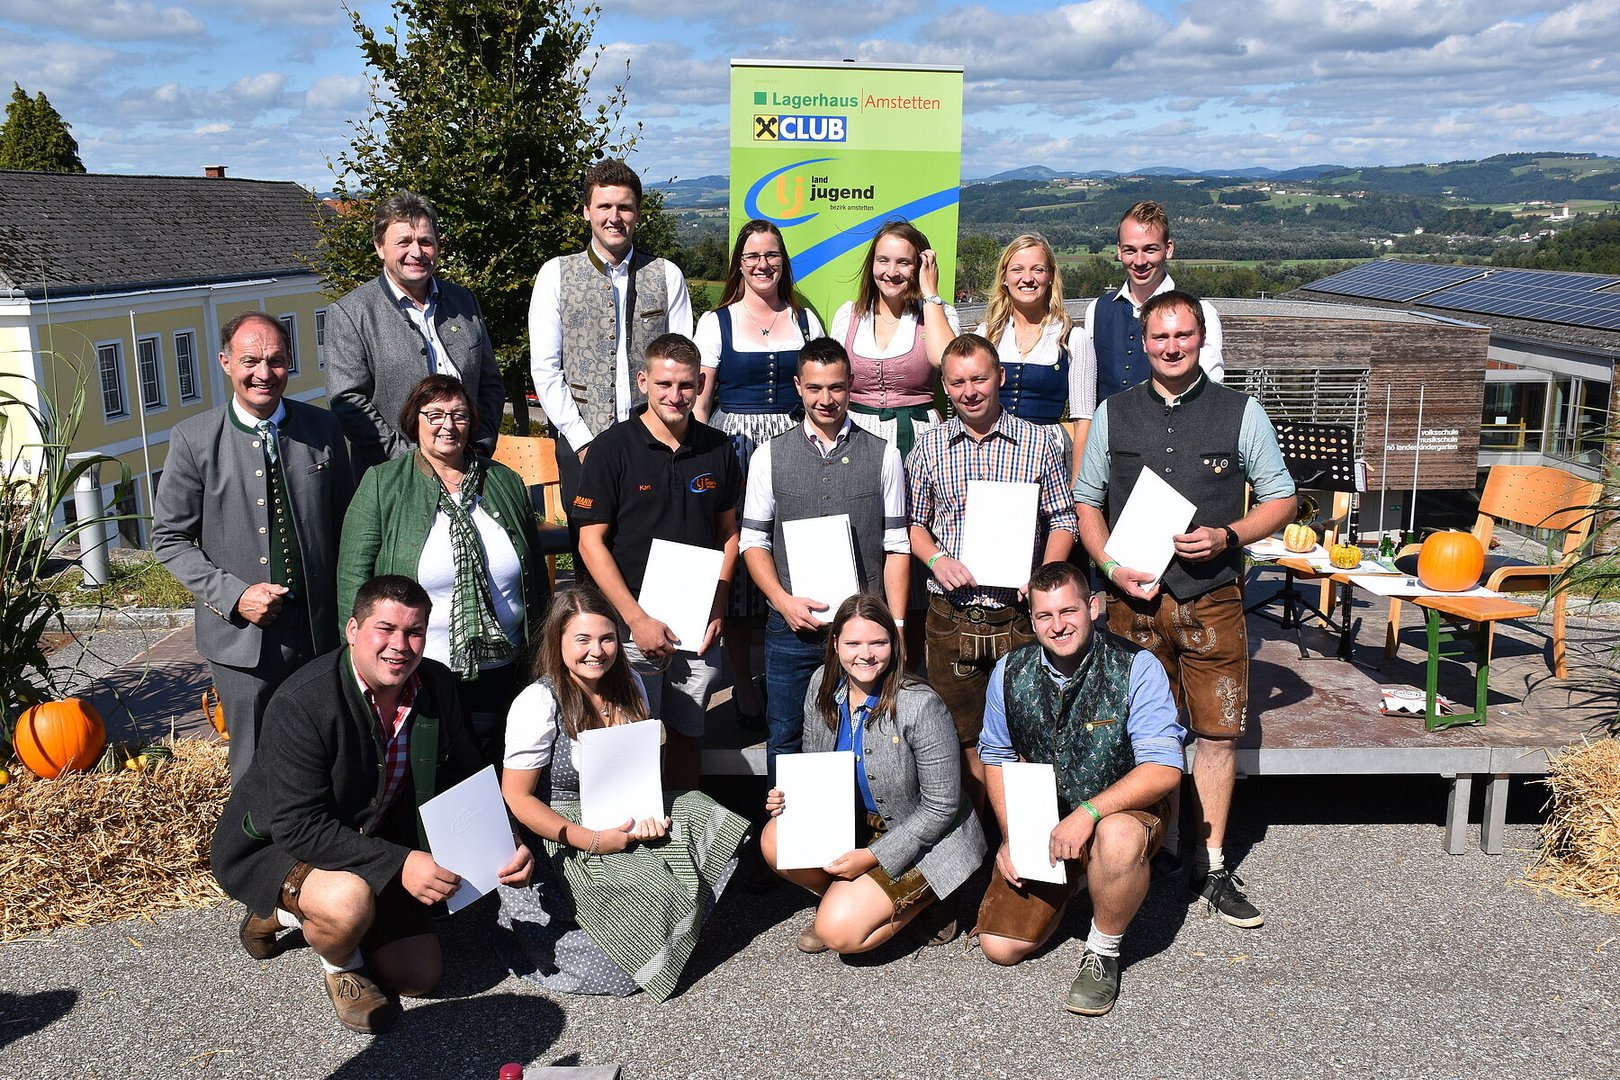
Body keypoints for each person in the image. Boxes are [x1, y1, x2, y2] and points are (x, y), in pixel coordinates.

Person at [212, 575, 535, 1035]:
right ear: (353, 630)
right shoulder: (303, 701)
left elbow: (466, 771)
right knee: (346, 903)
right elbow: (297, 826)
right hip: (278, 845)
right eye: (385, 628)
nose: (400, 645)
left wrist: (506, 837)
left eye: (414, 631)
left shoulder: (435, 683)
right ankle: (338, 964)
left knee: (418, 977)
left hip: (374, 836)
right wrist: (401, 863)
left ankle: (289, 913)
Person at [1074, 290, 1296, 928]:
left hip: (1213, 598)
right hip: (1133, 605)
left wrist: (1229, 535)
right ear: (1143, 343)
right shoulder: (1113, 413)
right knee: (1141, 735)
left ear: (1201, 339)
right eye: (1160, 337)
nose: (1171, 347)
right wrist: (1109, 567)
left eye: (1183, 335)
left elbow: (1282, 499)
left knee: (1218, 734)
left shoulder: (1241, 411)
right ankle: (1142, 855)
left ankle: (1211, 863)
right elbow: (1087, 501)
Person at [498, 586, 750, 1001]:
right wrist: (592, 839)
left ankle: (664, 925)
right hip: (562, 829)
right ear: (558, 641)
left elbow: (637, 767)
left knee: (705, 813)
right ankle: (646, 931)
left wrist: (648, 811)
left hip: (625, 811)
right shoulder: (538, 701)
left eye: (607, 638)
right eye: (582, 639)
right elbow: (518, 798)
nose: (596, 651)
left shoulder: (630, 681)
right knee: (617, 971)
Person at [972, 562, 1185, 1017]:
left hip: (1120, 811)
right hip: (1044, 817)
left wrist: (1088, 813)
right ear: (1032, 620)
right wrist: (1013, 836)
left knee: (1118, 838)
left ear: (1092, 607)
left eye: (1068, 611)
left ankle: (1104, 949)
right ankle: (1079, 878)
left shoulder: (1137, 667)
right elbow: (996, 757)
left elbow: (1164, 769)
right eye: (1044, 616)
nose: (1058, 625)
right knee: (999, 947)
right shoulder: (1008, 670)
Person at [153, 311, 352, 782]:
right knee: (254, 769)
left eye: (276, 360)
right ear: (226, 363)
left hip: (320, 633)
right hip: (242, 641)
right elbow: (169, 539)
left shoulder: (322, 430)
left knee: (328, 755)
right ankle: (252, 835)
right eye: (250, 361)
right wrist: (234, 595)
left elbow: (348, 524)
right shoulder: (194, 440)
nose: (264, 373)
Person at [336, 374, 547, 765]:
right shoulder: (382, 484)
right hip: (419, 673)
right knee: (432, 775)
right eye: (434, 415)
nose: (448, 425)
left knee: (501, 770)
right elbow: (353, 579)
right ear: (414, 421)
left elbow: (535, 573)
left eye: (459, 415)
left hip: (504, 670)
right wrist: (360, 669)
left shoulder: (505, 481)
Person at [907, 333, 1078, 806]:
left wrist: (1043, 576)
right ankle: (977, 833)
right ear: (945, 386)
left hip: (1018, 614)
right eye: (958, 382)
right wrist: (937, 559)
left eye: (979, 379)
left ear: (999, 377)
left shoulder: (1039, 442)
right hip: (953, 616)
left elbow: (1063, 519)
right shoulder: (929, 448)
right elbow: (914, 525)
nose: (970, 392)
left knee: (1027, 733)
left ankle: (1021, 835)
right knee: (960, 737)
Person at [760, 596, 985, 955]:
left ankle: (931, 898)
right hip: (856, 824)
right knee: (774, 838)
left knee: (838, 934)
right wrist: (788, 798)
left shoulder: (921, 704)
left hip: (926, 839)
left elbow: (941, 807)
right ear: (836, 644)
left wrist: (873, 857)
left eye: (877, 642)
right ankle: (843, 901)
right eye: (853, 643)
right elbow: (815, 767)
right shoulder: (821, 684)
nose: (865, 655)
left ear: (894, 644)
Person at [573, 334, 740, 791]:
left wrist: (718, 604)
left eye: (686, 385)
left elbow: (729, 534)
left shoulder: (719, 448)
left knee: (689, 733)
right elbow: (590, 543)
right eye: (664, 384)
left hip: (696, 626)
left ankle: (683, 821)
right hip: (628, 628)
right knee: (628, 741)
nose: (675, 395)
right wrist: (636, 619)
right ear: (643, 381)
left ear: (701, 383)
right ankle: (632, 831)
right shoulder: (610, 449)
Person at [739, 337, 910, 783]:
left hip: (863, 632)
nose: (825, 399)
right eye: (814, 388)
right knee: (786, 737)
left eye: (835, 387)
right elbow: (752, 542)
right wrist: (782, 602)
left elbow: (896, 546)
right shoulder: (768, 456)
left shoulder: (885, 455)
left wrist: (896, 625)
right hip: (792, 628)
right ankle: (787, 826)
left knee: (866, 738)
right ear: (798, 386)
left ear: (851, 384)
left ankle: (859, 822)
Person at [694, 219, 825, 727]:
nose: (762, 264)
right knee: (740, 560)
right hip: (735, 446)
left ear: (783, 262)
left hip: (794, 445)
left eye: (771, 255)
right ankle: (745, 684)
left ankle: (791, 674)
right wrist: (702, 458)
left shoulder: (806, 321)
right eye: (752, 256)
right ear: (739, 264)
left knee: (791, 555)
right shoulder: (716, 322)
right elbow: (701, 403)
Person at [529, 158, 693, 550]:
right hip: (581, 441)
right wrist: (583, 441)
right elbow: (546, 370)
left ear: (637, 213)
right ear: (587, 211)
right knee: (590, 553)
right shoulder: (555, 274)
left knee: (658, 549)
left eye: (624, 207)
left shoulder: (667, 274)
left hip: (656, 442)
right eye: (604, 206)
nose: (614, 217)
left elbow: (684, 364)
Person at [324, 191, 505, 471]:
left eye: (425, 241)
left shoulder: (464, 301)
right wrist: (413, 464)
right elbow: (348, 403)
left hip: (468, 468)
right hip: (392, 476)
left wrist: (479, 447)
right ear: (379, 247)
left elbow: (490, 384)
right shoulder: (351, 313)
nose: (417, 252)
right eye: (404, 242)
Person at [1076, 200, 1222, 456]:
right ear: (1119, 251)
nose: (1140, 261)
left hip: (1172, 451)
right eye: (1130, 250)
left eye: (1150, 249)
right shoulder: (1097, 310)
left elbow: (1210, 395)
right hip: (1107, 452)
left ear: (1168, 249)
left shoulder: (1201, 313)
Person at [830, 219, 960, 460]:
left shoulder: (937, 314)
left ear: (920, 266)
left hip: (918, 438)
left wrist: (930, 294)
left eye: (903, 262)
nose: (891, 272)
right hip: (856, 437)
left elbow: (946, 362)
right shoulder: (849, 316)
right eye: (883, 260)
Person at [974, 232, 1092, 462]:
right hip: (990, 452)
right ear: (1004, 277)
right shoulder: (985, 335)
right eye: (1017, 269)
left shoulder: (1073, 338)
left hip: (1049, 455)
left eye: (1037, 270)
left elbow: (1083, 421)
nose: (1027, 278)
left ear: (1050, 277)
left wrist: (1078, 480)